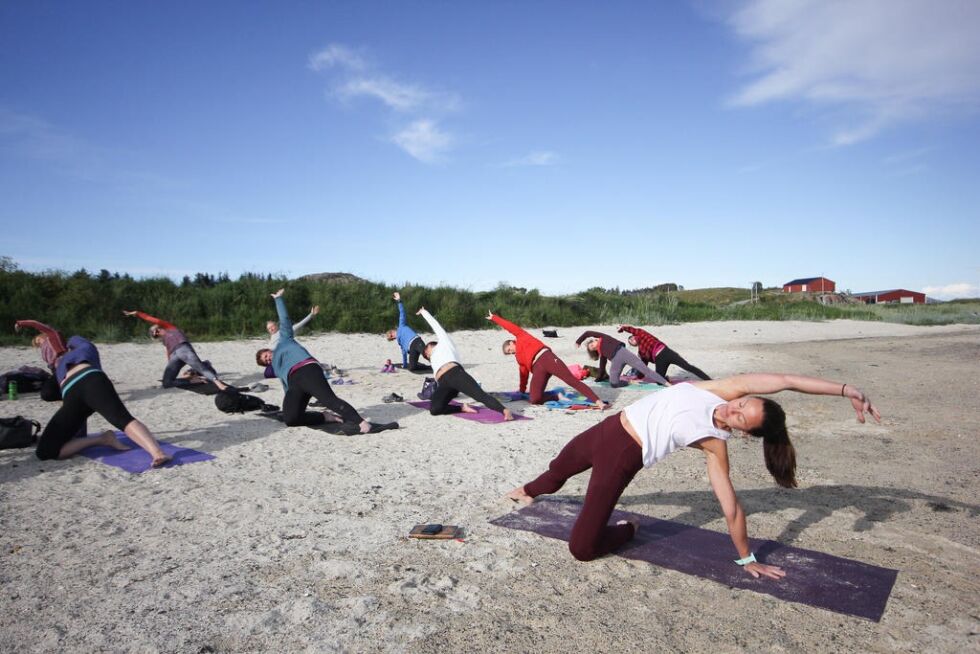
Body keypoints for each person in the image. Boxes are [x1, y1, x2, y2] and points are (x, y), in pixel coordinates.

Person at [506, 374, 881, 577]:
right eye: (743, 403)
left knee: (582, 549)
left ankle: (628, 528)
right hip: (606, 429)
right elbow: (786, 380)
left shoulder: (715, 444)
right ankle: (528, 490)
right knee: (558, 470)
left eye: (741, 418)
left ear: (745, 433)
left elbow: (730, 507)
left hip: (621, 457)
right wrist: (847, 388)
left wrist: (747, 558)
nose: (734, 409)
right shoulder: (721, 389)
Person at [255, 289, 395, 435]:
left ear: (268, 350)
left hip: (306, 369)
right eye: (265, 361)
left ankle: (363, 424)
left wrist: (278, 299)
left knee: (329, 400)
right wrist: (291, 401)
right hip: (294, 382)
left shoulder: (284, 340)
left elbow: (284, 320)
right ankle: (325, 416)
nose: (268, 359)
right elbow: (286, 386)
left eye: (266, 355)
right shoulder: (277, 369)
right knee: (291, 418)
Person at [35, 334, 171, 467]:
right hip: (72, 394)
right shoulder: (60, 365)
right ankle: (103, 439)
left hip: (91, 381)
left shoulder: (83, 348)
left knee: (122, 419)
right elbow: (47, 394)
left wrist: (64, 343)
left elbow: (75, 339)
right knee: (44, 452)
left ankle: (157, 453)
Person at [487, 311, 607, 409]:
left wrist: (494, 318)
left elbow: (510, 327)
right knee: (534, 399)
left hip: (547, 358)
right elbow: (523, 374)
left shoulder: (521, 336)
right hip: (538, 369)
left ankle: (598, 401)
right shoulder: (519, 358)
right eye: (509, 353)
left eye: (509, 349)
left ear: (512, 342)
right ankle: (556, 396)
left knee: (571, 380)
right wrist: (521, 390)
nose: (511, 352)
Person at [416, 307, 514, 420]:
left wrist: (424, 312)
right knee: (435, 409)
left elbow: (436, 326)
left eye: (425, 353)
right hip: (443, 383)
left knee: (479, 395)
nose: (426, 355)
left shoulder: (444, 343)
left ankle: (505, 411)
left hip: (455, 374)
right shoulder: (433, 359)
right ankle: (462, 408)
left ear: (430, 345)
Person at [122, 310, 229, 390]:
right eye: (155, 335)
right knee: (166, 383)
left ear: (158, 328)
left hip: (183, 348)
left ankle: (219, 383)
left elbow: (151, 318)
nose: (157, 333)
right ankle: (196, 380)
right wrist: (170, 364)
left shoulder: (169, 327)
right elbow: (168, 351)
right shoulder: (164, 340)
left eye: (156, 331)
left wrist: (137, 313)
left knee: (201, 368)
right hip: (174, 355)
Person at [575, 330, 669, 388]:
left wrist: (579, 341)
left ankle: (666, 382)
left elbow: (587, 333)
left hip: (623, 353)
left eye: (591, 345)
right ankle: (628, 382)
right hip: (616, 361)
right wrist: (599, 378)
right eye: (592, 348)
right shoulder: (602, 353)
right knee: (613, 384)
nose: (593, 346)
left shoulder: (603, 338)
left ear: (594, 340)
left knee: (645, 370)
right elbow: (602, 366)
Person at [618, 324, 711, 381]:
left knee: (687, 366)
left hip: (666, 352)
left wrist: (622, 328)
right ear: (633, 345)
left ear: (634, 336)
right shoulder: (641, 352)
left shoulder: (641, 334)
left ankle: (708, 379)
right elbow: (643, 366)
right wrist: (639, 377)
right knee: (659, 381)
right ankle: (666, 378)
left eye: (631, 338)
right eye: (630, 342)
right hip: (659, 360)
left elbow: (631, 329)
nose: (632, 340)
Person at [14, 319, 67, 400]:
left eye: (38, 340)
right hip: (56, 371)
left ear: (42, 335)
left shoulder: (53, 335)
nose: (39, 343)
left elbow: (35, 323)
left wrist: (20, 323)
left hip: (65, 365)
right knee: (47, 394)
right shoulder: (45, 351)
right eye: (37, 344)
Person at [264, 304, 319, 378]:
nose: (271, 329)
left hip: (285, 359)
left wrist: (311, 315)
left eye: (272, 326)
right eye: (269, 328)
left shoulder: (284, 331)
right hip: (275, 361)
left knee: (270, 373)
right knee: (267, 373)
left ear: (276, 325)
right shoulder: (271, 338)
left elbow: (299, 324)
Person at [385, 292, 432, 373]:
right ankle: (429, 368)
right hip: (412, 349)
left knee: (426, 355)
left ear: (392, 331)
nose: (392, 337)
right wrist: (404, 365)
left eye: (391, 335)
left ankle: (441, 363)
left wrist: (399, 301)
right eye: (391, 338)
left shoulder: (401, 325)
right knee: (412, 368)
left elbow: (402, 313)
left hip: (416, 341)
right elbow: (404, 354)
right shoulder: (400, 342)